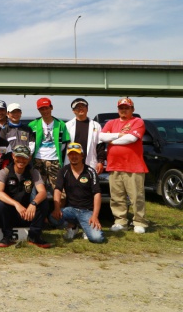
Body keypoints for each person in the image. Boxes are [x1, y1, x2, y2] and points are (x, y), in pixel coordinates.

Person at [99, 97, 149, 234]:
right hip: (114, 165)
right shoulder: (111, 122)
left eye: (127, 108)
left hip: (134, 166)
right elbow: (101, 137)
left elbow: (131, 138)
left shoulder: (137, 121)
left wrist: (113, 140)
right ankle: (120, 221)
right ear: (118, 110)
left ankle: (139, 222)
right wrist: (119, 135)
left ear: (132, 109)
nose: (124, 110)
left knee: (136, 196)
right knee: (116, 196)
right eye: (121, 108)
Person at [0, 145, 51, 248]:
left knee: (43, 201)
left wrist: (33, 204)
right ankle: (7, 236)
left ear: (29, 158)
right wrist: (16, 204)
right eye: (19, 157)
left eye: (24, 157)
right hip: (10, 213)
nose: (21, 160)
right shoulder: (4, 172)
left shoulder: (33, 172)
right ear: (13, 156)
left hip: (27, 213)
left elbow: (42, 192)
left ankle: (34, 236)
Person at [51, 143, 105, 243]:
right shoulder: (63, 171)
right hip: (70, 210)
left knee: (97, 238)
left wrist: (95, 216)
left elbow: (97, 194)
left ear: (82, 155)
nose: (74, 156)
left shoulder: (91, 172)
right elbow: (57, 189)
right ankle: (72, 227)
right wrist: (57, 208)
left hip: (87, 211)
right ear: (68, 156)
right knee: (52, 218)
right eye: (71, 154)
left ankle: (85, 227)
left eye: (77, 154)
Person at [28, 97, 70, 191]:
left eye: (47, 108)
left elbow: (65, 144)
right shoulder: (32, 125)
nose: (45, 111)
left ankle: (59, 207)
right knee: (37, 190)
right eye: (42, 109)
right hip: (38, 160)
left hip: (55, 161)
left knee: (60, 191)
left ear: (51, 107)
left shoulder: (61, 124)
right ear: (38, 110)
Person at [65, 98, 105, 174]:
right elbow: (63, 148)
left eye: (83, 106)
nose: (80, 108)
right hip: (72, 163)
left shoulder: (96, 125)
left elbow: (100, 146)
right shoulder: (67, 126)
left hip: (90, 163)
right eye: (77, 107)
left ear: (87, 109)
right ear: (73, 111)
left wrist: (100, 161)